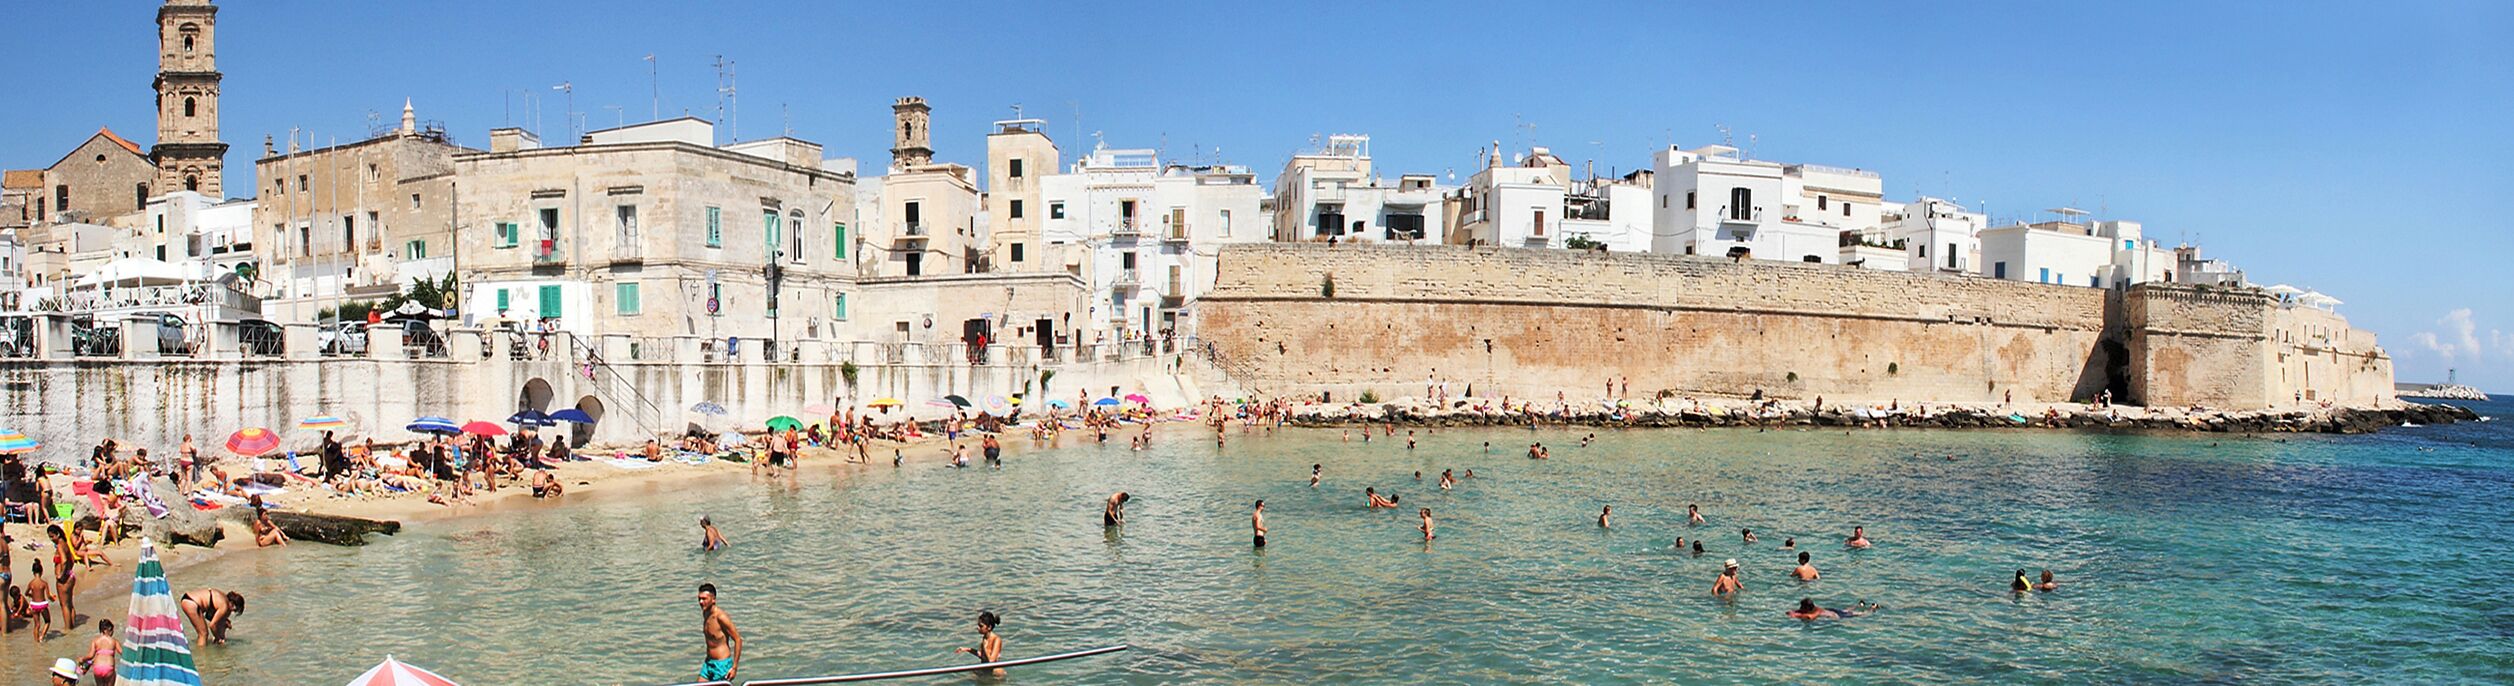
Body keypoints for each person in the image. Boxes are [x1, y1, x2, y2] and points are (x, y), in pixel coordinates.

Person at [698, 583, 742, 682]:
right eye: (699, 599)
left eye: (704, 599)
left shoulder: (721, 617)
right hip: (708, 663)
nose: (701, 602)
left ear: (713, 599)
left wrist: (734, 668)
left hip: (721, 665)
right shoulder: (705, 613)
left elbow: (738, 639)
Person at [178, 589, 243, 645]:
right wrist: (218, 639)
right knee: (203, 634)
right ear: (232, 604)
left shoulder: (221, 597)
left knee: (202, 632)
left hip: (187, 599)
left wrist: (224, 622)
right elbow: (212, 625)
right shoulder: (225, 606)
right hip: (192, 603)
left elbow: (208, 616)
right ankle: (202, 657)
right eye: (234, 610)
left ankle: (201, 650)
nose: (231, 612)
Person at [956, 610, 1005, 677]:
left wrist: (985, 647)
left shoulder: (996, 640)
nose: (978, 628)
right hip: (985, 671)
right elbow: (982, 656)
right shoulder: (985, 638)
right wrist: (967, 649)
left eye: (981, 626)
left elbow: (991, 661)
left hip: (995, 675)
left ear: (989, 627)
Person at [82, 619, 117, 684]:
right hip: (108, 667)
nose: (113, 632)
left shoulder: (95, 641)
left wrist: (82, 659)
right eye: (112, 630)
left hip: (97, 667)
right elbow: (122, 653)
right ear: (108, 629)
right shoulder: (114, 641)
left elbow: (91, 655)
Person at [1787, 597, 1877, 620]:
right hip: (1831, 611)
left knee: (1859, 614)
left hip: (1836, 616)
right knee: (1846, 610)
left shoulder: (1814, 613)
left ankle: (1872, 608)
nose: (1800, 608)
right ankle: (1859, 605)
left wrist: (1796, 616)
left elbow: (1810, 617)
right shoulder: (1814, 608)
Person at [25, 560, 51, 640]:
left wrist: (32, 595)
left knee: (36, 625)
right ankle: (42, 636)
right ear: (42, 571)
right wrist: (52, 598)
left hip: (34, 605)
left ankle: (36, 642)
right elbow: (48, 595)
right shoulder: (44, 583)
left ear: (33, 572)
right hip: (42, 604)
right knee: (47, 621)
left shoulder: (31, 583)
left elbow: (26, 593)